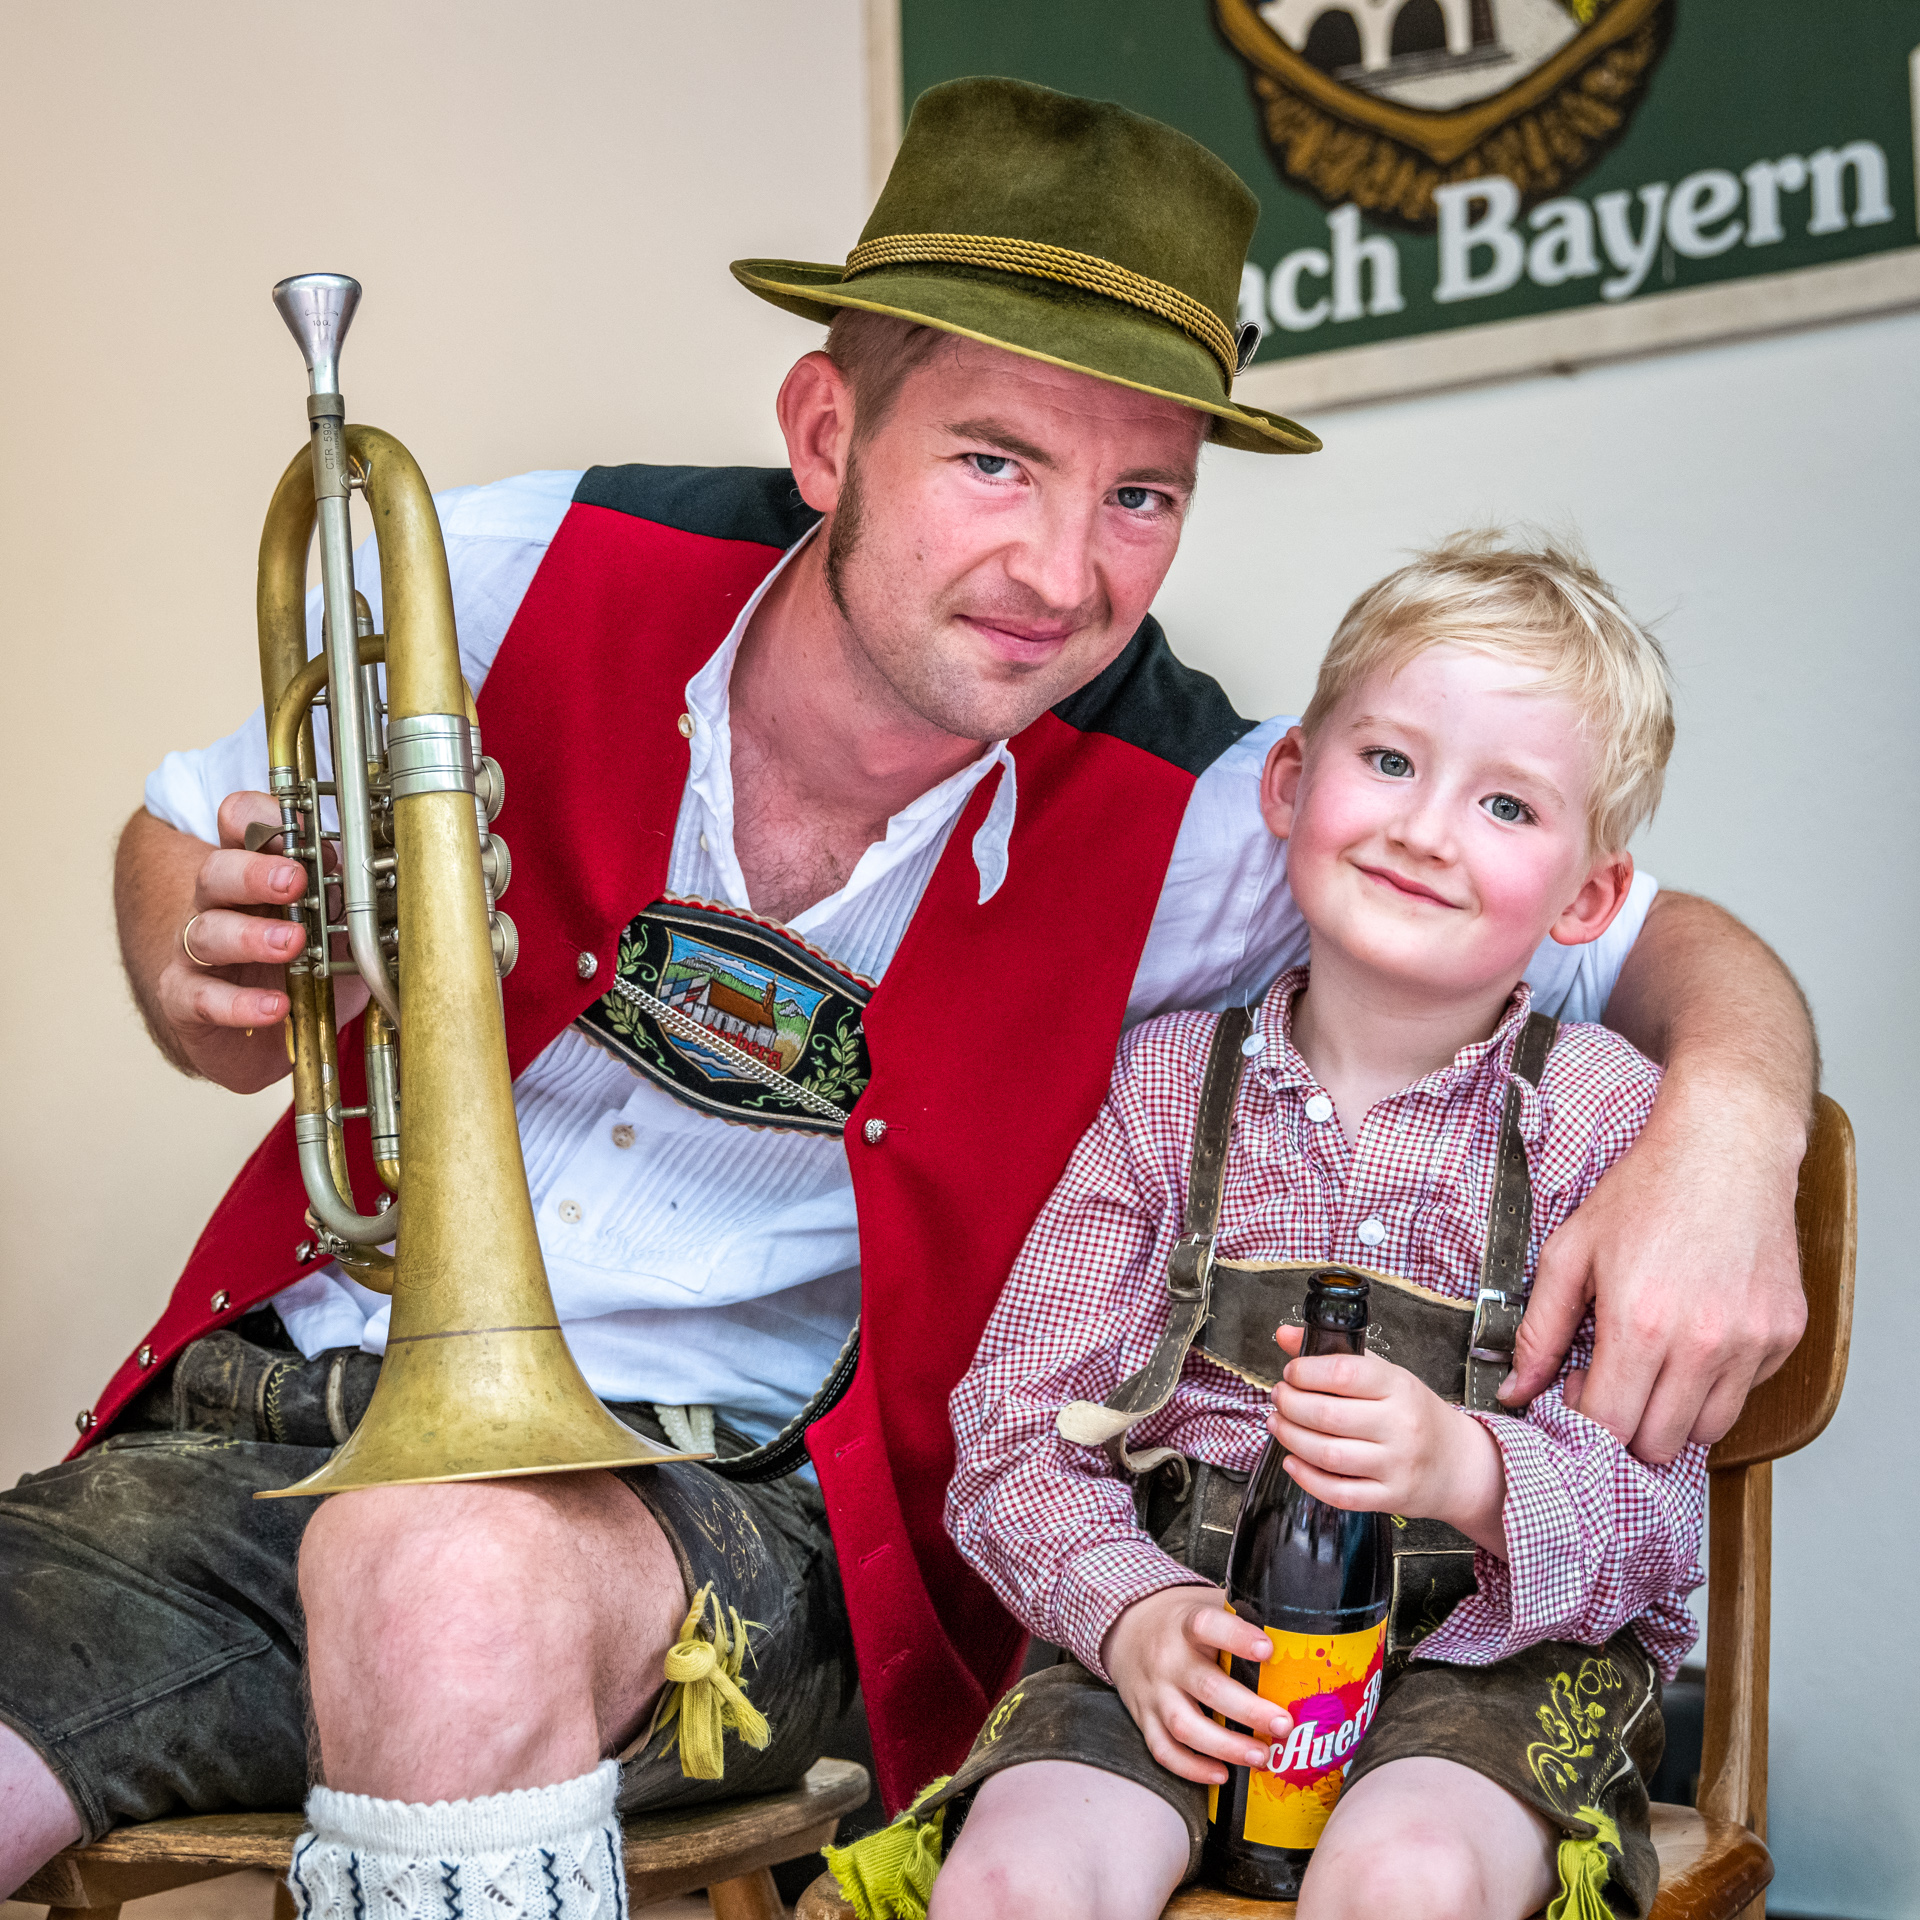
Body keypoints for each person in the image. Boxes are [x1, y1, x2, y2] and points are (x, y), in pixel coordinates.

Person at [0, 78, 1807, 1912]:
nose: (1060, 574)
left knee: (445, 1579)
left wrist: (1734, 1132)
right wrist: (191, 954)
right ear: (824, 432)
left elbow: (1652, 941)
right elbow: (180, 839)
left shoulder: (1216, 813)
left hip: (719, 1505)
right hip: (258, 1428)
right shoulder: (509, 568)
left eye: (1141, 496)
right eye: (994, 462)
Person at [854, 536, 1707, 1920]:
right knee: (1013, 1875)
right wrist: (1130, 1611)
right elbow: (1012, 1425)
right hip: (1189, 1626)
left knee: (1408, 1879)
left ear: (1589, 898)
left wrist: (1469, 1468)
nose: (1425, 829)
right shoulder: (1167, 1086)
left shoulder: (1604, 1121)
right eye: (1390, 762)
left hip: (1486, 1662)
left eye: (1506, 805)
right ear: (1291, 783)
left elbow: (1659, 1526)